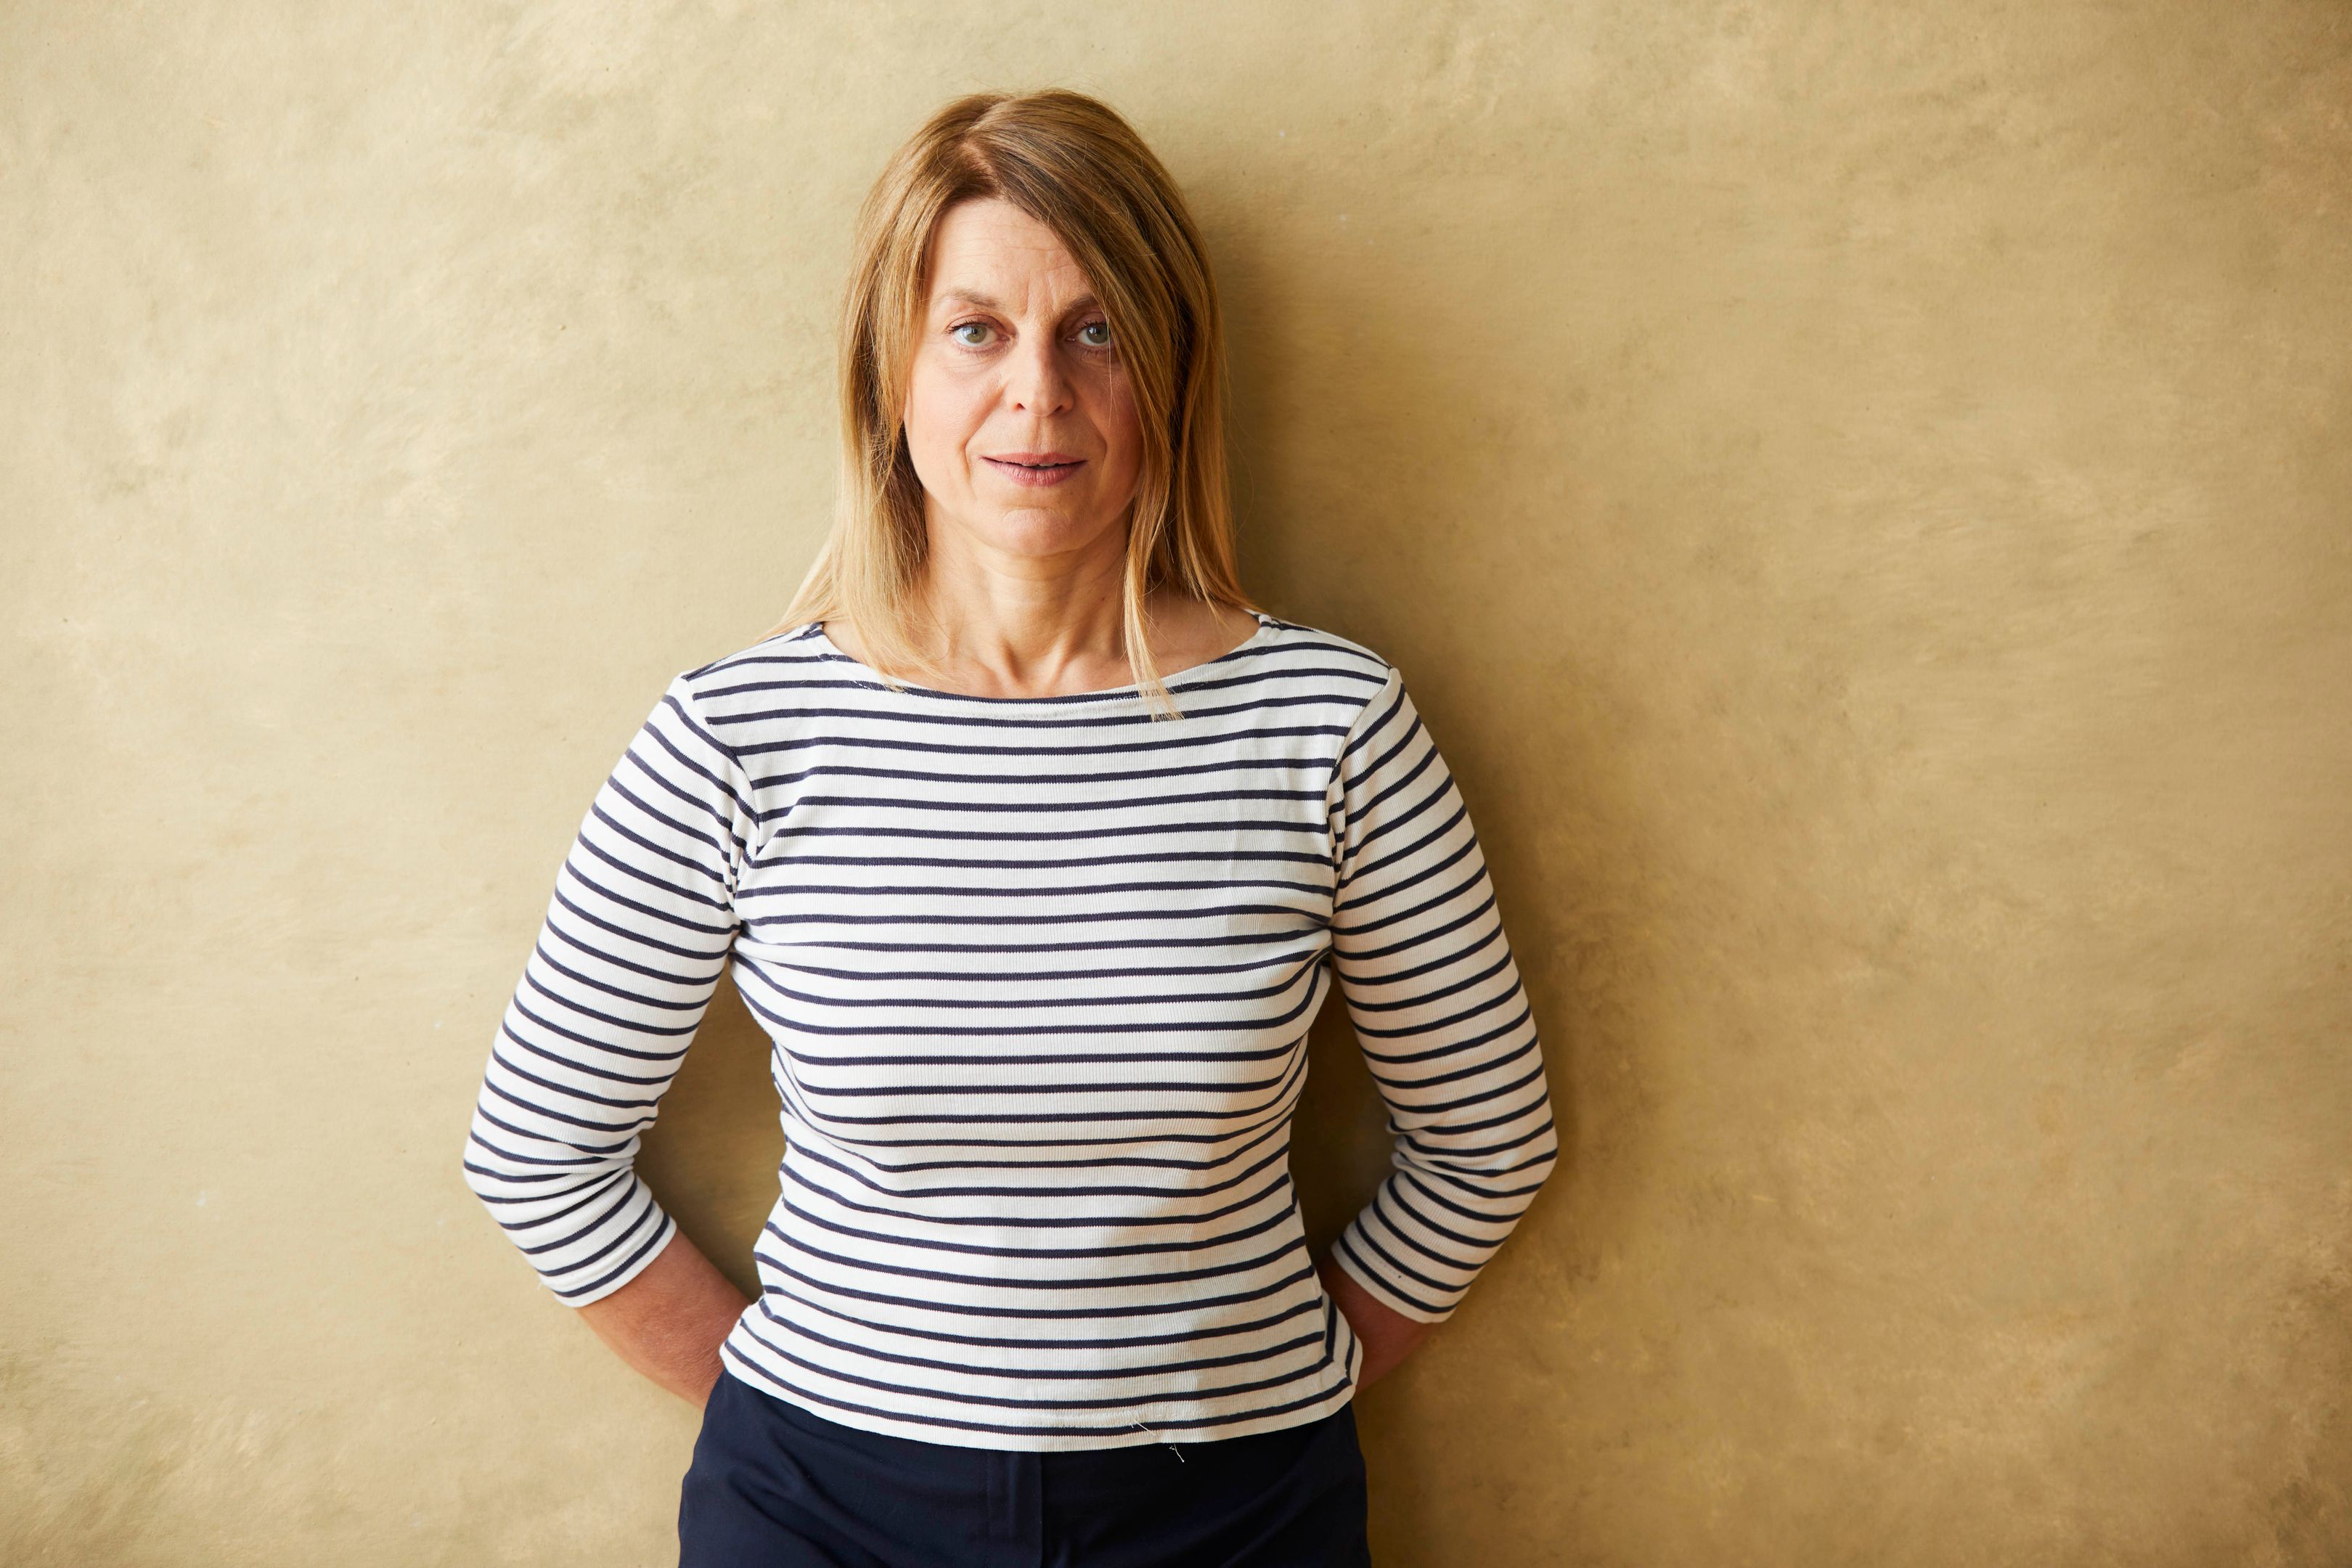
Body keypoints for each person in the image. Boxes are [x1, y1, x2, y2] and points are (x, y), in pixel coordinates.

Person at [459, 87, 1559, 1567]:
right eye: (975, 330)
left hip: (1235, 1514)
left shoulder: (1327, 723)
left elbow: (1488, 1145)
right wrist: (795, 1422)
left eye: (1097, 332)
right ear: (891, 375)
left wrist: (1277, 1401)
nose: (1038, 394)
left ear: (1169, 374)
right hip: (821, 1511)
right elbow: (536, 1152)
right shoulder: (737, 738)